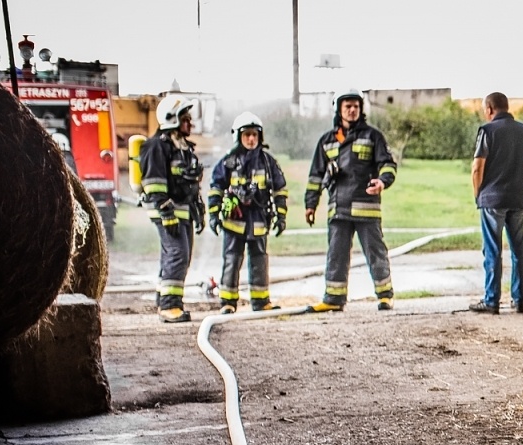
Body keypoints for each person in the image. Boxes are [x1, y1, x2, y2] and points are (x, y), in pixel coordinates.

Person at [303, 91, 398, 311]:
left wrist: (382, 182)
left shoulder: (373, 136)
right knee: (336, 254)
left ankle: (385, 296)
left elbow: (387, 164)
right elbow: (315, 176)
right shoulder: (327, 141)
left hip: (366, 207)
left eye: (356, 106)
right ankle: (334, 299)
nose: (352, 110)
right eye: (348, 106)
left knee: (376, 252)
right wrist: (310, 205)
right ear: (339, 109)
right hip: (338, 209)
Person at [207, 112, 287, 313]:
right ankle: (227, 303)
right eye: (247, 135)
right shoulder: (228, 162)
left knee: (259, 261)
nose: (251, 139)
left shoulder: (268, 162)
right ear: (238, 136)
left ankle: (261, 302)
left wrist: (281, 216)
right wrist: (214, 215)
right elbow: (215, 189)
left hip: (259, 221)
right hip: (234, 221)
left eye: (254, 135)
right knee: (232, 261)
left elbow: (280, 190)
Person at [470, 91, 523, 314]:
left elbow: (477, 167)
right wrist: (520, 183)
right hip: (518, 198)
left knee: (493, 250)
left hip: (492, 199)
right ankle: (519, 301)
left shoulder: (487, 131)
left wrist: (479, 194)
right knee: (519, 251)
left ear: (490, 109)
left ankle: (492, 301)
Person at [140, 95, 204, 323]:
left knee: (179, 255)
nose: (190, 123)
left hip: (183, 211)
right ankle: (170, 306)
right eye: (185, 119)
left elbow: (189, 184)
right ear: (171, 118)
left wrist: (198, 209)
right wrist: (166, 211)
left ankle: (163, 299)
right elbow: (153, 183)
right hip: (166, 211)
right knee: (178, 254)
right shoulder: (157, 146)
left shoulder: (183, 148)